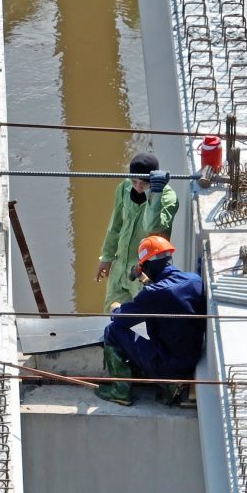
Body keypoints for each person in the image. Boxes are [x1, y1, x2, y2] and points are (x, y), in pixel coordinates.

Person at [94, 236, 206, 406]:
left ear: (145, 266)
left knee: (114, 329)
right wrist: (148, 282)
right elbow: (166, 304)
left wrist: (115, 308)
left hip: (171, 366)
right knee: (150, 326)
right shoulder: (194, 280)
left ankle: (121, 391)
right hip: (193, 359)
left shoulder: (154, 294)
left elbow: (124, 318)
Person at [96, 153, 179, 311]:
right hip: (120, 266)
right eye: (134, 181)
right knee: (111, 314)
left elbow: (152, 228)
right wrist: (106, 257)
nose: (138, 187)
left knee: (145, 317)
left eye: (144, 183)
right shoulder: (124, 188)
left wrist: (154, 193)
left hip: (145, 272)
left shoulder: (168, 198)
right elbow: (115, 225)